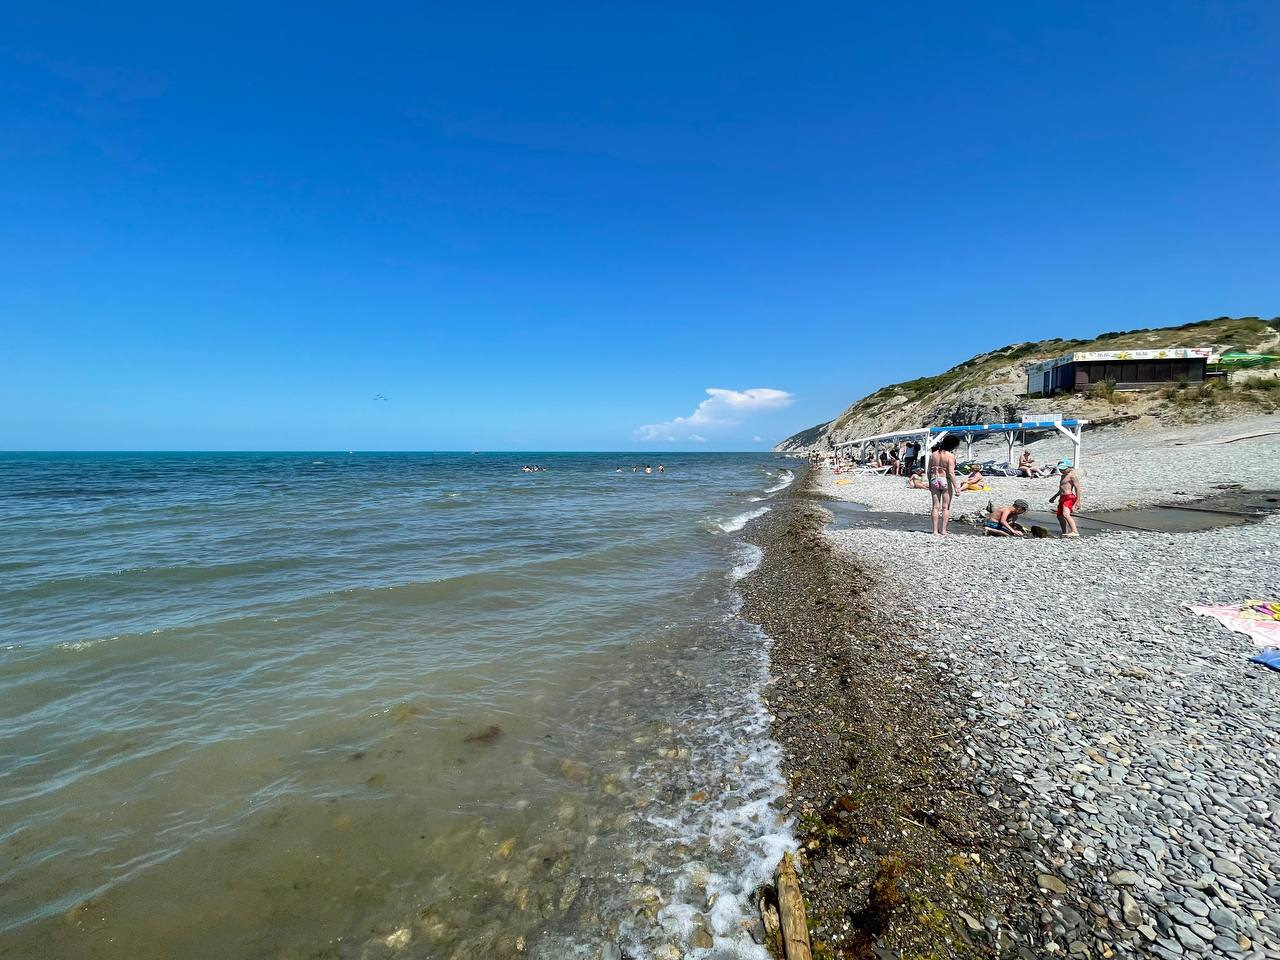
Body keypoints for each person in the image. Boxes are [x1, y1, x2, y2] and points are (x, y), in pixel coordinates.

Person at [928, 434, 962, 535]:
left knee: (935, 506)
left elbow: (929, 470)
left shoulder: (933, 454)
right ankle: (943, 530)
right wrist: (956, 487)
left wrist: (929, 482)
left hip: (934, 479)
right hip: (945, 480)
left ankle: (934, 530)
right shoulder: (950, 456)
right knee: (945, 507)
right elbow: (951, 473)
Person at [1050, 462, 1081, 538]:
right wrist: (1054, 497)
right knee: (1059, 516)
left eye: (1064, 469)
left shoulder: (1072, 476)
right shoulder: (1063, 476)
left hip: (1069, 497)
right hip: (1062, 498)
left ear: (1070, 468)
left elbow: (1078, 489)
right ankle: (1064, 531)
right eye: (1060, 469)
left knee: (1065, 514)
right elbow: (1061, 489)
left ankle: (1074, 531)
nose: (1061, 470)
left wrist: (1078, 501)